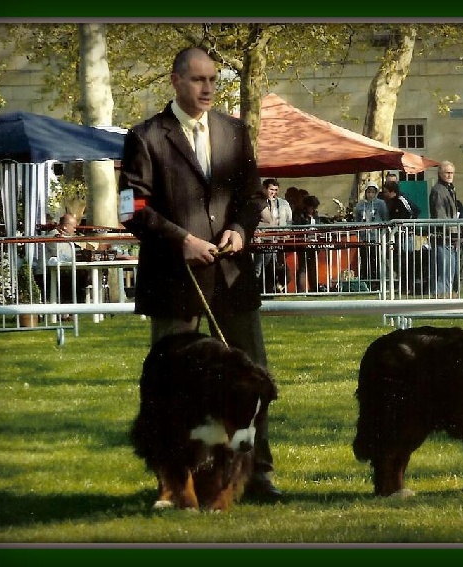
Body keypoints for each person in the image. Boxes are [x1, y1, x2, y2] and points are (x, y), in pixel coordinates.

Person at [117, 46, 282, 502]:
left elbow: (253, 196)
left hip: (232, 278)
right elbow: (131, 207)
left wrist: (240, 230)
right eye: (198, 80)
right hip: (174, 281)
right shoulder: (145, 136)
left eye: (213, 80)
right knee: (170, 386)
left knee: (251, 380)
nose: (208, 88)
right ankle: (173, 483)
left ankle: (257, 474)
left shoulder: (235, 131)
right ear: (175, 81)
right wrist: (181, 242)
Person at [255, 178, 293, 293]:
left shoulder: (281, 203)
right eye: (271, 189)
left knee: (271, 267)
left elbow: (287, 220)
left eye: (276, 190)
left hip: (275, 240)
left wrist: (285, 233)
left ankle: (268, 291)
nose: (273, 192)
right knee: (258, 267)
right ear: (264, 188)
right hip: (261, 239)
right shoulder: (258, 201)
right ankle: (254, 292)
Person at [429, 160, 460, 296]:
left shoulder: (449, 189)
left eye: (452, 173)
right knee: (444, 271)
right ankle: (440, 296)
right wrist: (452, 232)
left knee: (450, 270)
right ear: (440, 173)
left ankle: (448, 294)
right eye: (447, 173)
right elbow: (440, 215)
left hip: (450, 237)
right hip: (443, 237)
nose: (450, 175)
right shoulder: (438, 190)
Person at [353, 183, 389, 288]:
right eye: (368, 192)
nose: (370, 194)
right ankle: (366, 281)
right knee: (364, 259)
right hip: (364, 237)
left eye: (373, 192)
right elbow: (357, 220)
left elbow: (385, 217)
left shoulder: (381, 204)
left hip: (376, 237)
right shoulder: (360, 205)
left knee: (375, 260)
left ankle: (377, 282)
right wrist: (359, 233)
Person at [293, 195, 321, 292]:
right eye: (311, 207)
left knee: (312, 267)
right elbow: (298, 229)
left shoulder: (315, 216)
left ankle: (314, 288)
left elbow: (318, 226)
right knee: (302, 267)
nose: (313, 209)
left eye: (314, 207)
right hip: (303, 244)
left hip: (314, 243)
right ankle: (301, 290)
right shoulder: (300, 216)